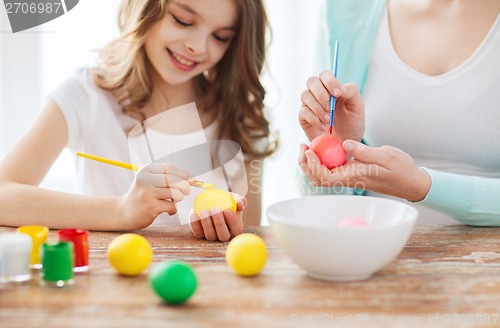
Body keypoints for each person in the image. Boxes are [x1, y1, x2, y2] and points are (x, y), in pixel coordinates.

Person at [0, 0, 277, 241]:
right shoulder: (85, 96)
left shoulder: (242, 116)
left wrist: (230, 230)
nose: (197, 46)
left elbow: (247, 232)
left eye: (220, 36)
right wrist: (121, 211)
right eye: (183, 20)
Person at [298, 0, 500, 225]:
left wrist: (423, 186)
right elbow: (323, 211)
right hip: (370, 251)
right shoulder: (344, 10)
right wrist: (334, 160)